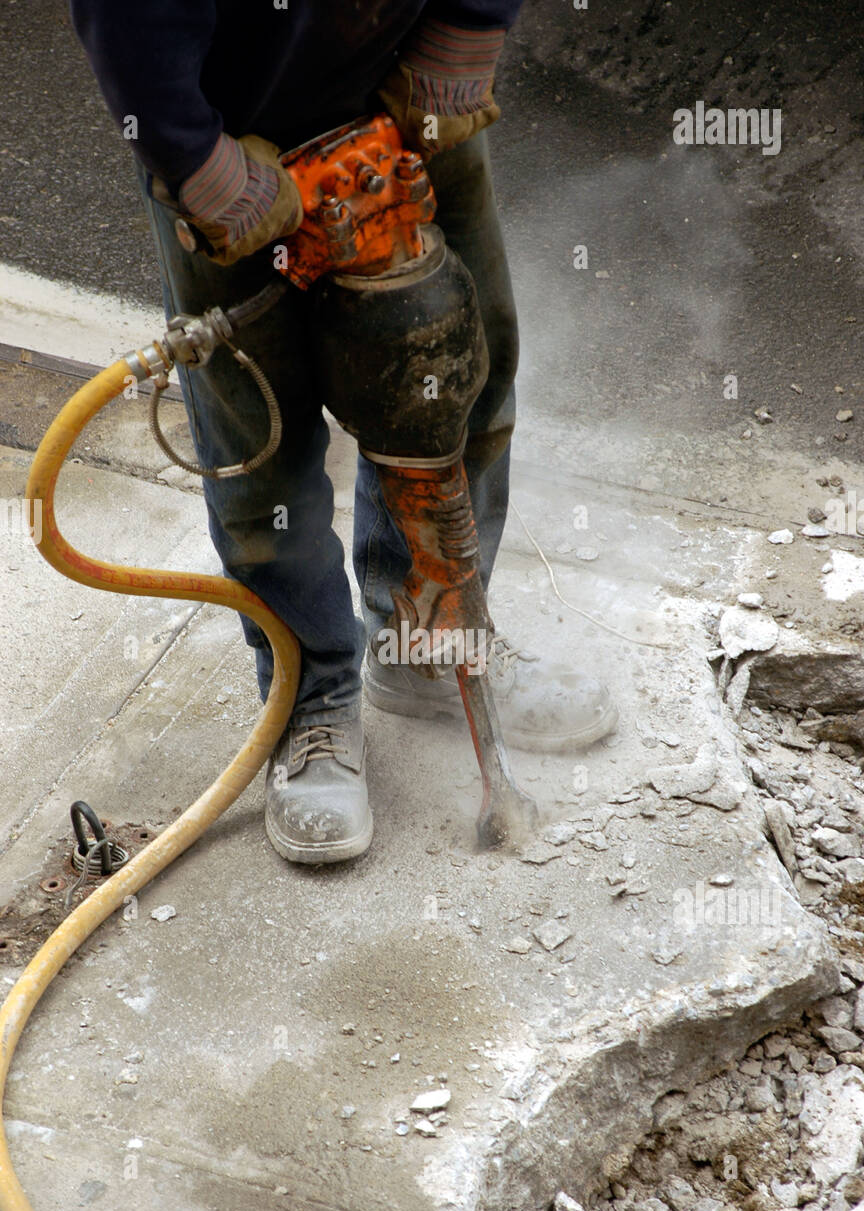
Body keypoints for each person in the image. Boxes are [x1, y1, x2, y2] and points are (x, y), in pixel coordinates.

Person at [70, 1, 617, 864]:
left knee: (455, 384)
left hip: (406, 85)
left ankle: (429, 638)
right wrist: (196, 163)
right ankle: (312, 701)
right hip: (229, 132)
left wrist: (463, 34)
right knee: (263, 453)